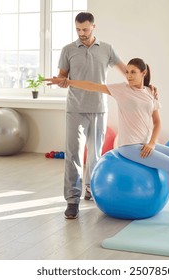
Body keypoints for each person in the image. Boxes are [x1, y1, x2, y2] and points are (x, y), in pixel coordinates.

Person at [46, 58, 169, 228]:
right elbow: (92, 85)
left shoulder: (150, 92)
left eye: (133, 72)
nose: (129, 76)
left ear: (144, 73)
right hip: (129, 147)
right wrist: (67, 82)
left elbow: (157, 123)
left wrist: (152, 143)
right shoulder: (121, 90)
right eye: (127, 72)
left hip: (145, 144)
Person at [56, 12, 127, 219]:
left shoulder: (106, 49)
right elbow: (62, 76)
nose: (82, 33)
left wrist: (146, 85)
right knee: (73, 155)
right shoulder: (68, 50)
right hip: (75, 109)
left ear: (93, 27)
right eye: (78, 30)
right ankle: (72, 200)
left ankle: (90, 188)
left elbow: (126, 71)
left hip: (99, 108)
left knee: (95, 155)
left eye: (85, 29)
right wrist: (61, 80)